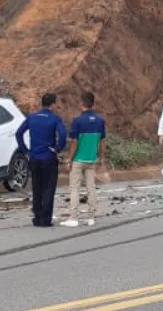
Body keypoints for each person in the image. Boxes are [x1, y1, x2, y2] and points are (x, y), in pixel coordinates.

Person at [16, 93, 67, 227]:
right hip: (48, 158)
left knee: (36, 187)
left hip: (34, 157)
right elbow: (62, 134)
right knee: (49, 188)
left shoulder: (32, 117)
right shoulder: (55, 119)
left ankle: (37, 217)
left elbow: (19, 133)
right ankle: (45, 219)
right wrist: (57, 148)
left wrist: (26, 151)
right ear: (53, 104)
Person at [60, 92, 106, 228]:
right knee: (90, 188)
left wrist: (69, 159)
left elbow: (74, 142)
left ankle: (73, 217)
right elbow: (103, 141)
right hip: (92, 160)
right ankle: (91, 217)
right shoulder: (100, 121)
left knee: (74, 188)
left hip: (78, 160)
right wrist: (102, 157)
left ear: (81, 104)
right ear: (93, 104)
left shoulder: (77, 121)